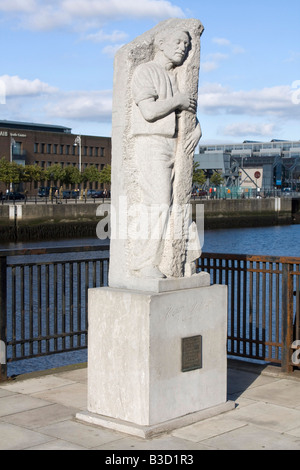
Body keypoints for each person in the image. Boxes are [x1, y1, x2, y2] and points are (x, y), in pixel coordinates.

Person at [130, 28, 201, 279]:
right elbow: (148, 111)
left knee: (176, 205)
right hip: (152, 143)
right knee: (156, 203)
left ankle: (182, 262)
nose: (183, 47)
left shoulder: (175, 78)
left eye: (186, 43)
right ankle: (143, 263)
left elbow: (185, 111)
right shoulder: (146, 71)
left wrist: (197, 129)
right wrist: (178, 101)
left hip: (174, 144)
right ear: (160, 43)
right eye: (178, 42)